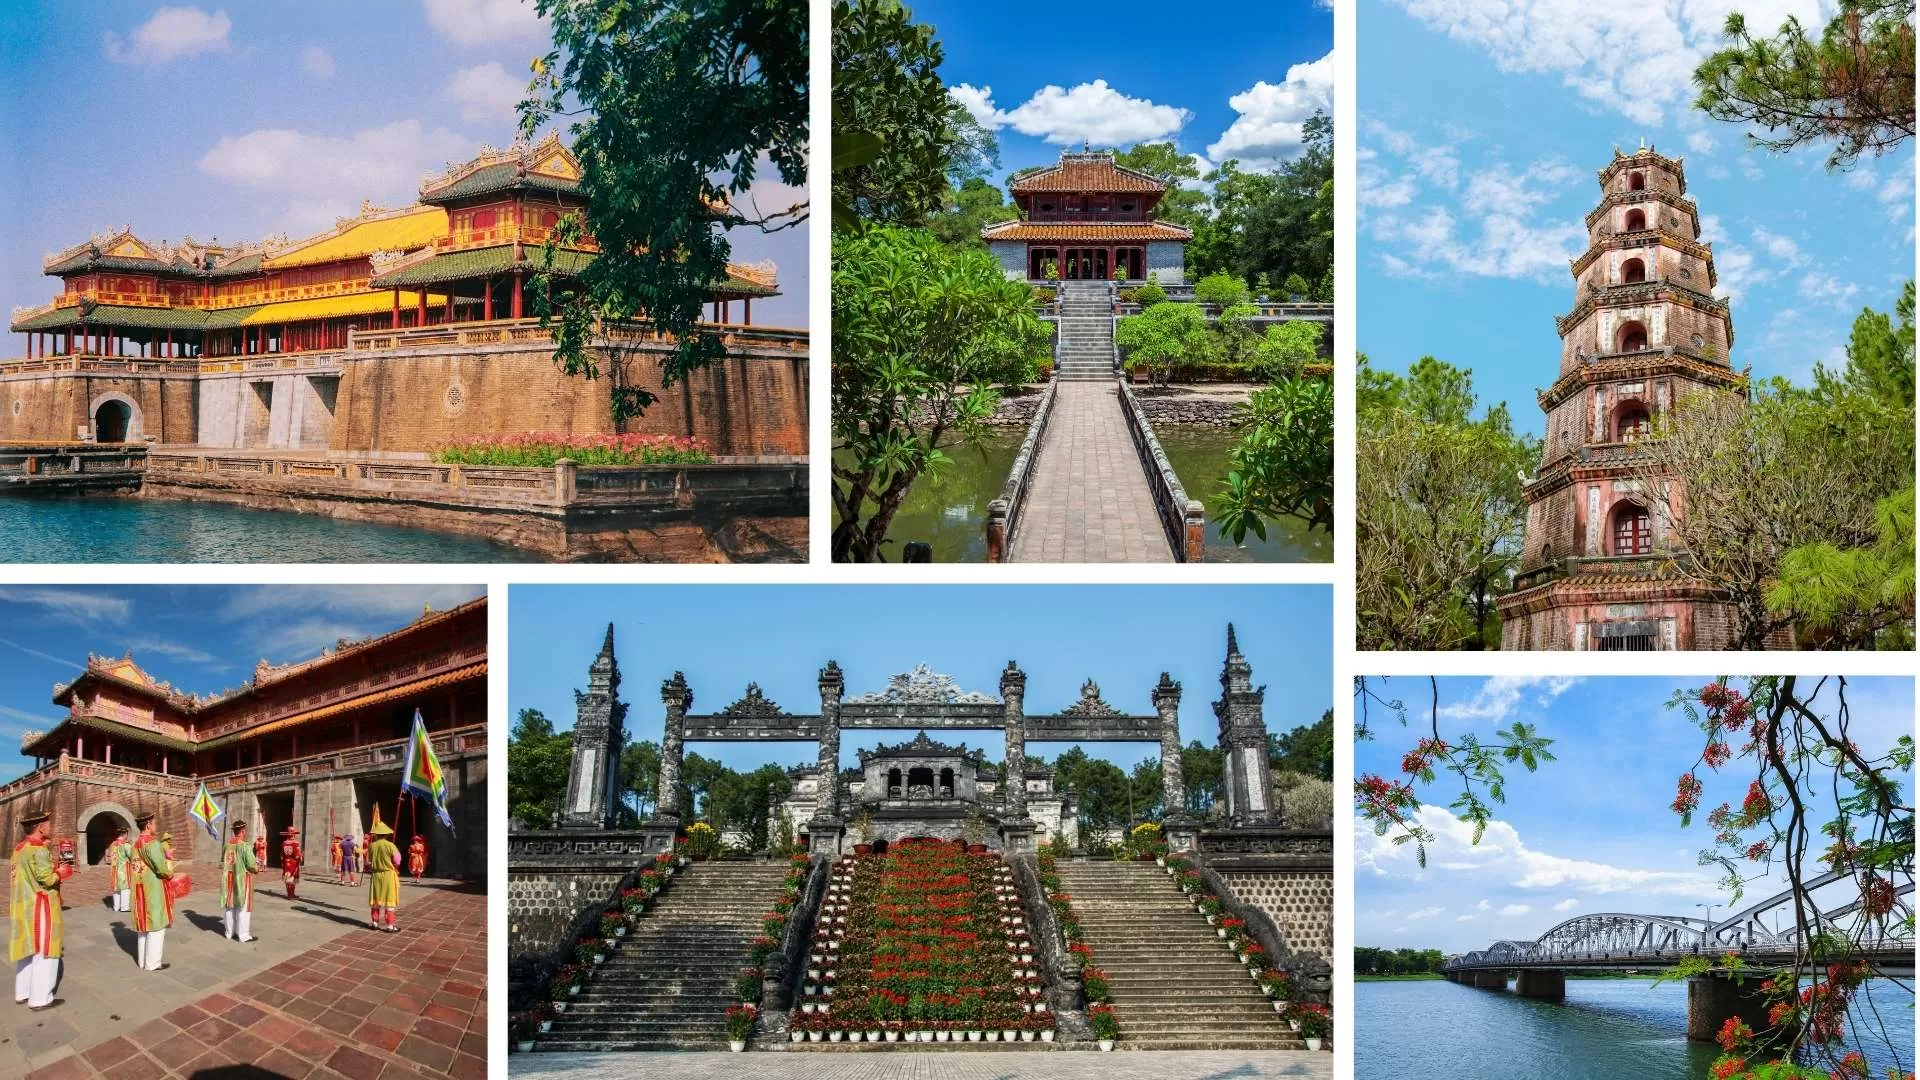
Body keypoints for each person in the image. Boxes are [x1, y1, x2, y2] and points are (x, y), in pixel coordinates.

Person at [10, 808, 62, 1011]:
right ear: (40, 827)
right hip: (41, 906)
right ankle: (40, 997)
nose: (50, 826)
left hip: (22, 905)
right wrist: (61, 872)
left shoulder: (19, 848)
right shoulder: (38, 849)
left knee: (26, 949)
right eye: (48, 823)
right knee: (45, 950)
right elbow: (47, 879)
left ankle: (22, 992)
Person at [130, 812, 171, 971]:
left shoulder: (136, 843)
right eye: (154, 823)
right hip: (152, 888)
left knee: (143, 927)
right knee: (156, 925)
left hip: (139, 887)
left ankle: (142, 961)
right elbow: (160, 867)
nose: (155, 826)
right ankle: (152, 963)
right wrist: (169, 873)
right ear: (148, 824)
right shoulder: (152, 843)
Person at [221, 821, 259, 943]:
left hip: (228, 879)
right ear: (242, 831)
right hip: (242, 879)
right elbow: (251, 864)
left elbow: (224, 859)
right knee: (242, 907)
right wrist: (256, 869)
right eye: (245, 831)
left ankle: (229, 932)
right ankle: (243, 935)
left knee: (230, 906)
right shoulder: (244, 846)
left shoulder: (227, 845)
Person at [366, 821, 400, 933]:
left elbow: (368, 861)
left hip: (376, 875)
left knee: (376, 900)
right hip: (388, 875)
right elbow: (397, 861)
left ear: (376, 834)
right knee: (389, 900)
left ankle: (375, 923)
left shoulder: (372, 846)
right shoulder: (391, 845)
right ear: (386, 834)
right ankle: (390, 926)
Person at [107, 824, 131, 913]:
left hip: (114, 868)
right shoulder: (126, 844)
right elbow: (131, 855)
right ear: (125, 834)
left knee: (116, 888)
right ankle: (124, 907)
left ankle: (116, 906)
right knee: (125, 888)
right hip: (124, 869)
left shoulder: (113, 844)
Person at [281, 828, 302, 901]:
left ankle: (289, 894)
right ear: (293, 834)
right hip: (293, 863)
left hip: (286, 862)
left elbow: (282, 855)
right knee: (292, 879)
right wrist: (301, 855)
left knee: (287, 878)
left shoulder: (284, 843)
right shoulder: (295, 843)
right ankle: (291, 894)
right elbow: (297, 855)